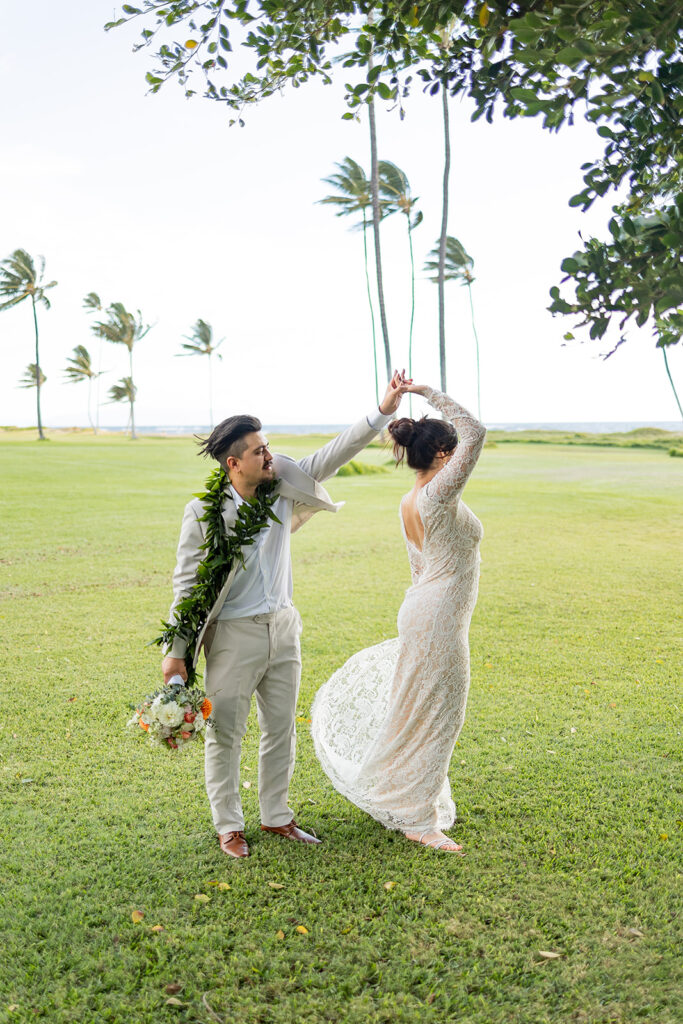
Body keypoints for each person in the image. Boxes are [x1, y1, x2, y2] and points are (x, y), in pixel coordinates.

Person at [161, 373, 406, 859]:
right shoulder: (204, 513)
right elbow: (186, 586)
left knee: (281, 728)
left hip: (284, 628)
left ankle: (276, 817)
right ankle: (228, 825)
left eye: (267, 445)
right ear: (234, 463)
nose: (268, 455)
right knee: (225, 734)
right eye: (257, 450)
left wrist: (383, 411)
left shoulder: (281, 489)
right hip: (233, 637)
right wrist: (176, 657)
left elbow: (333, 453)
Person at [311, 384, 486, 853]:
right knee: (439, 712)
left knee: (417, 708)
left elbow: (418, 566)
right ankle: (418, 820)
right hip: (438, 615)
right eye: (454, 452)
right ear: (446, 455)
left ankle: (405, 796)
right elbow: (478, 430)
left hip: (424, 608)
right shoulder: (438, 493)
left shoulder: (411, 500)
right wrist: (426, 392)